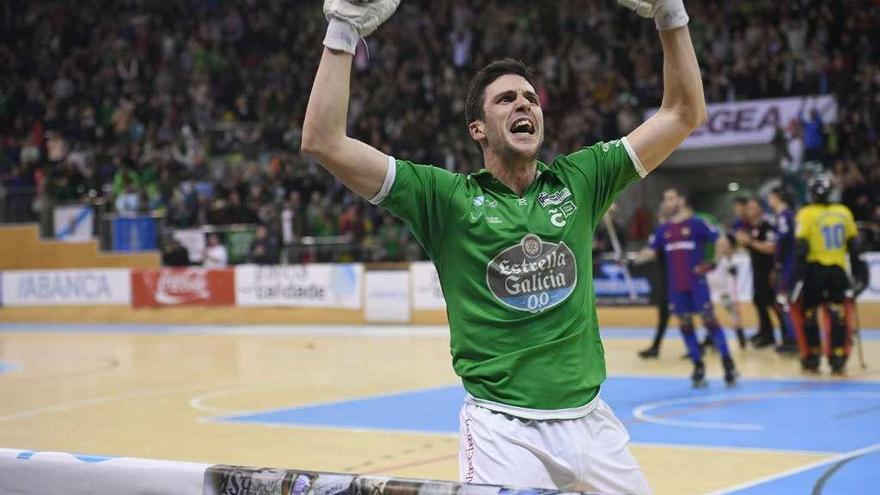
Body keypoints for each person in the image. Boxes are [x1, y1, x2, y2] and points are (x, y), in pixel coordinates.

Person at [302, 0, 705, 492]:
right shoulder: (444, 199)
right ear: (478, 129)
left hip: (594, 422)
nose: (524, 105)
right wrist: (342, 31)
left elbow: (684, 112)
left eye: (531, 98)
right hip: (502, 431)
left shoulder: (581, 179)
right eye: (507, 99)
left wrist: (670, 13)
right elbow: (324, 141)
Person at [646, 189, 738, 387]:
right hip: (676, 286)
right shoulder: (664, 229)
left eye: (671, 198)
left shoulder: (698, 223)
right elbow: (650, 252)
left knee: (709, 321)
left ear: (682, 200)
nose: (667, 203)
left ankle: (727, 362)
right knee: (685, 324)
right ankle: (698, 365)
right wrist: (629, 259)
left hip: (696, 283)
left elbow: (722, 241)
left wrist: (713, 262)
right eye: (666, 199)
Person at [791, 176, 868, 374]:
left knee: (809, 314)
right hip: (837, 269)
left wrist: (797, 276)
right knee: (837, 314)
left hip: (815, 269)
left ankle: (814, 355)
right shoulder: (843, 212)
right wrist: (858, 271)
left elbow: (801, 248)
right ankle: (838, 355)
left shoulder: (806, 214)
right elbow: (853, 246)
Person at [735, 198, 785, 348]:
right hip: (757, 271)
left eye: (753, 208)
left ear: (760, 209)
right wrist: (744, 242)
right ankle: (766, 333)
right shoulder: (750, 227)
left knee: (774, 304)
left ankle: (787, 335)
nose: (750, 211)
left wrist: (751, 242)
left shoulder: (766, 226)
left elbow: (771, 248)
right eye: (748, 208)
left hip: (769, 271)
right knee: (759, 301)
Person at [636, 201, 673, 359]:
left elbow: (650, 253)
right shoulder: (661, 231)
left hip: (671, 279)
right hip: (668, 277)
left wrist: (635, 260)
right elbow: (651, 251)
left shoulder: (665, 230)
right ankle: (656, 347)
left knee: (675, 312)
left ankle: (656, 347)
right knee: (668, 314)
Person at [766, 187, 799, 353]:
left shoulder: (784, 217)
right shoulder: (785, 216)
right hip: (788, 264)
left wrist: (778, 264)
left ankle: (794, 339)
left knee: (785, 301)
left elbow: (783, 242)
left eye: (771, 196)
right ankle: (791, 337)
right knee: (784, 302)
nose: (768, 200)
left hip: (788, 265)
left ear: (778, 197)